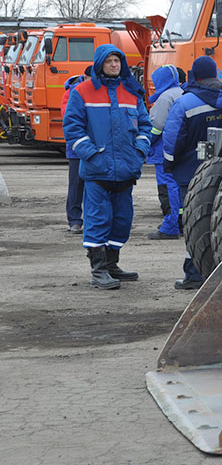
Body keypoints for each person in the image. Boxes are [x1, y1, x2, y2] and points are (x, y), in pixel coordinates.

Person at [63, 44, 152, 290]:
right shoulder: (82, 92)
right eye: (109, 61)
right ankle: (98, 269)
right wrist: (92, 154)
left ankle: (112, 264)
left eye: (117, 61)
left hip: (126, 170)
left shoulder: (132, 93)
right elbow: (72, 128)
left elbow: (146, 126)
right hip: (97, 171)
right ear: (100, 63)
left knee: (122, 221)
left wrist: (139, 151)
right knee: (97, 220)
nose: (114, 65)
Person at [163, 56, 222, 290]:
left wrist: (169, 165)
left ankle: (194, 273)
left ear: (194, 76)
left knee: (194, 221)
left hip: (191, 173)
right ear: (216, 74)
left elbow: (172, 140)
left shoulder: (185, 104)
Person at [146, 64, 185, 240]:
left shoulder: (165, 97)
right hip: (181, 150)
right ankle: (181, 222)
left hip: (163, 151)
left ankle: (170, 226)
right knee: (179, 187)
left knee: (167, 188)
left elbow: (157, 126)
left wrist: (144, 142)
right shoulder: (183, 93)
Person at [61, 65, 93, 234]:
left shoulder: (100, 92)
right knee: (76, 184)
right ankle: (74, 220)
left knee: (95, 185)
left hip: (96, 148)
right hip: (76, 149)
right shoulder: (72, 93)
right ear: (85, 77)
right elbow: (70, 119)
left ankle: (91, 219)